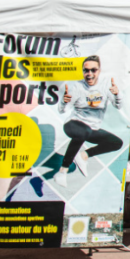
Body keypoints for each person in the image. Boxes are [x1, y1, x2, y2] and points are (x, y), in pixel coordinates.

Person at [54, 55, 124, 187]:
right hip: (73, 124)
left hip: (91, 129)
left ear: (99, 71)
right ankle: (62, 170)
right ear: (83, 71)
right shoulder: (77, 86)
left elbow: (118, 106)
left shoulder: (105, 85)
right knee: (84, 131)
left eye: (93, 70)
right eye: (86, 70)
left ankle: (84, 155)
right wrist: (64, 102)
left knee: (117, 143)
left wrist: (117, 94)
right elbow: (62, 110)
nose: (89, 74)